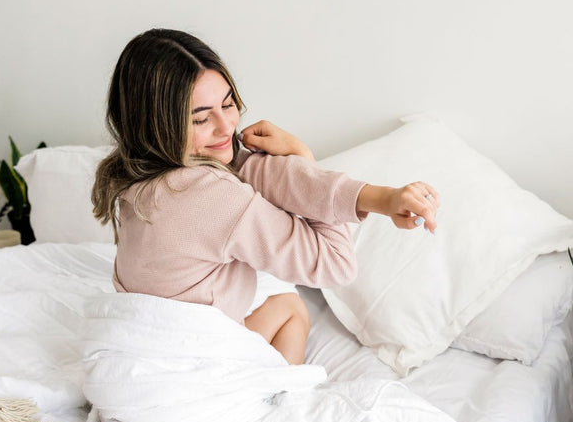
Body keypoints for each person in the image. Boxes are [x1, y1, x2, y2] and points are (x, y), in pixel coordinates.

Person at [92, 29, 439, 365]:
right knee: (290, 308)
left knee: (277, 298)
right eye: (201, 119)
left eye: (228, 105)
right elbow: (336, 264)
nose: (226, 127)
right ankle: (280, 397)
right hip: (191, 363)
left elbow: (259, 174)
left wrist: (381, 198)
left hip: (148, 348)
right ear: (156, 124)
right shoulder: (213, 196)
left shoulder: (132, 173)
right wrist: (302, 156)